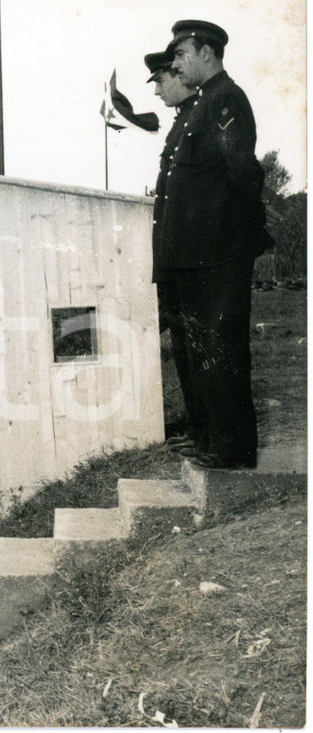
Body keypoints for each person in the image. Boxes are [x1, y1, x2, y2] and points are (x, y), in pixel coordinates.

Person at [157, 20, 273, 468]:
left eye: (183, 54)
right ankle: (212, 439)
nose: (178, 63)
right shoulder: (205, 103)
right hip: (195, 254)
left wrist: (236, 238)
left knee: (221, 347)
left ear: (208, 53)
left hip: (218, 252)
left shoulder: (226, 99)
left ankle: (234, 447)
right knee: (202, 348)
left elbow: (242, 172)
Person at [144, 48, 203, 453]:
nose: (158, 91)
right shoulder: (181, 123)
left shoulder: (198, 118)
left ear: (179, 78)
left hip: (194, 255)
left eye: (162, 81)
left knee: (198, 350)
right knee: (183, 347)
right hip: (175, 255)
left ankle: (208, 431)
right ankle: (200, 429)